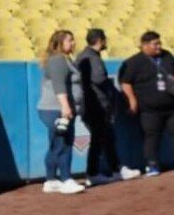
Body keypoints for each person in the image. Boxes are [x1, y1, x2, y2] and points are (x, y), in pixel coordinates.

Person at [117, 31, 174, 175]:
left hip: (173, 106)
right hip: (149, 109)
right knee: (151, 136)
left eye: (159, 43)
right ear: (144, 45)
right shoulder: (133, 62)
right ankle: (152, 165)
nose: (159, 47)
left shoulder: (167, 56)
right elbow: (125, 83)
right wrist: (132, 100)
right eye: (155, 44)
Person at [76, 28, 141, 184]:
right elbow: (99, 79)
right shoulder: (91, 57)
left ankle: (115, 169)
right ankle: (94, 172)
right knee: (100, 138)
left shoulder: (85, 56)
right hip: (95, 105)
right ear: (100, 40)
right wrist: (110, 87)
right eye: (104, 39)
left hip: (92, 104)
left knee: (106, 138)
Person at [37, 28, 84, 195]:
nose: (73, 43)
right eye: (69, 40)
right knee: (63, 143)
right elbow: (59, 85)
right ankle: (66, 179)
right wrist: (65, 106)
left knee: (57, 143)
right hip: (55, 109)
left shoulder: (66, 59)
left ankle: (51, 180)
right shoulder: (57, 60)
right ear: (59, 43)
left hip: (57, 109)